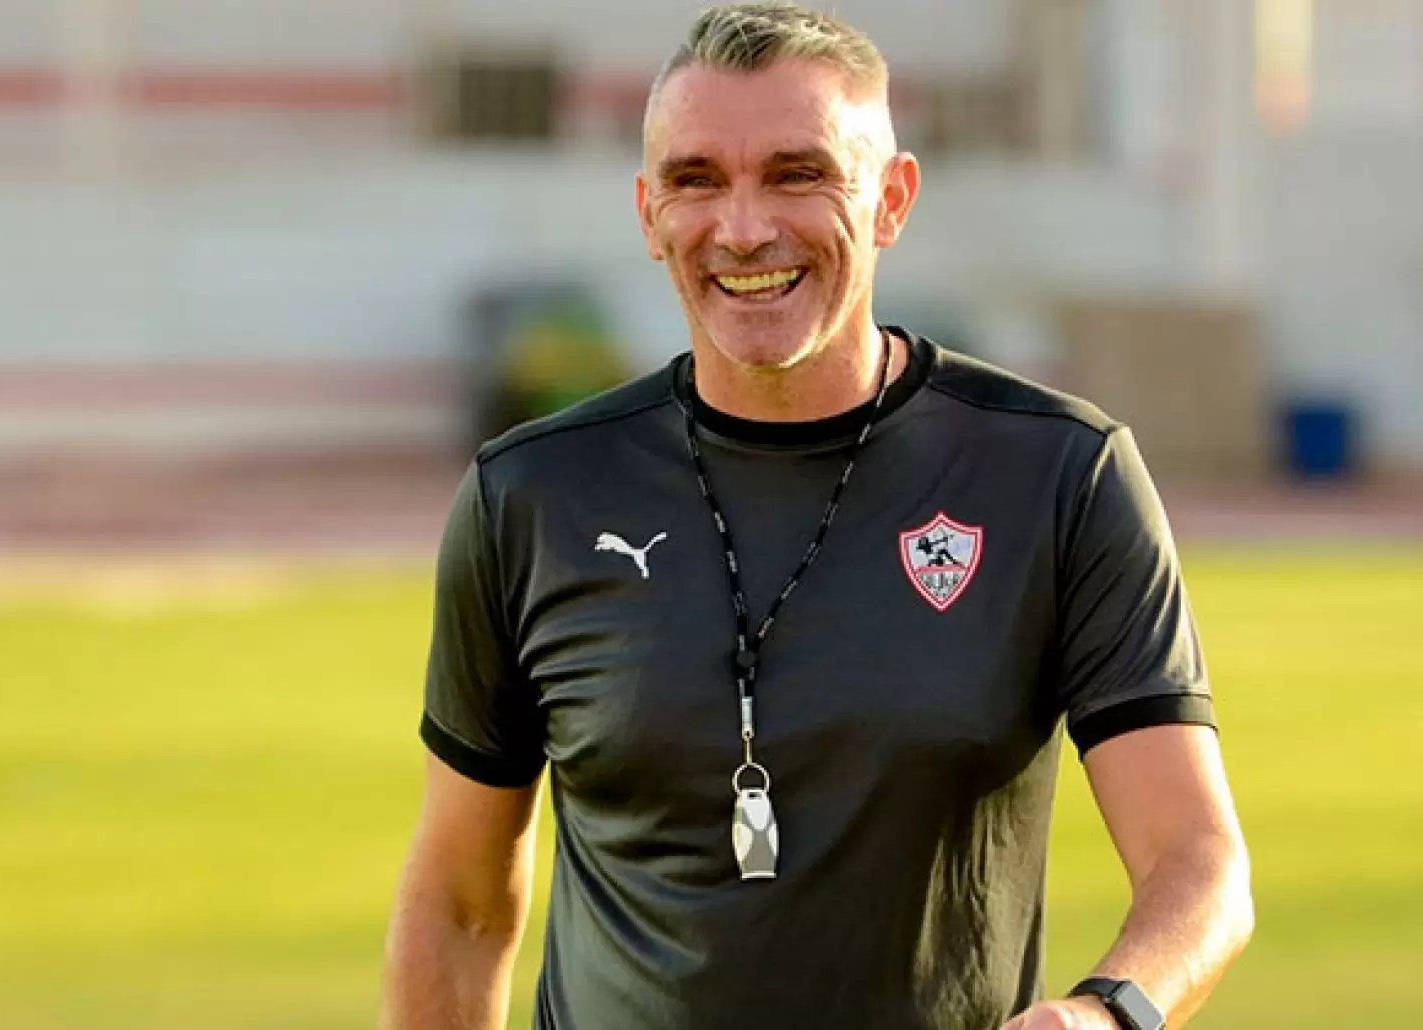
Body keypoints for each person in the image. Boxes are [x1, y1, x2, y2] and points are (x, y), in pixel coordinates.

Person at [380, 5, 1253, 1029]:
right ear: (649, 214)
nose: (744, 228)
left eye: (798, 175)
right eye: (696, 180)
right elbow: (460, 907)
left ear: (891, 199)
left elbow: (1197, 861)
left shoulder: (1058, 472)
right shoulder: (531, 494)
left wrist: (1108, 1013)